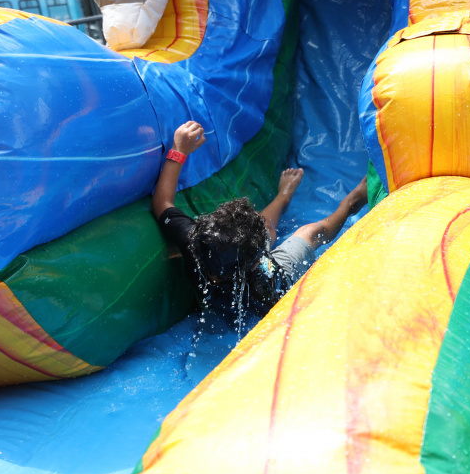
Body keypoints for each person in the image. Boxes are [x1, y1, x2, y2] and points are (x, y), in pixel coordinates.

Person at [151, 120, 372, 327]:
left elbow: (162, 203)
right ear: (258, 261)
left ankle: (289, 198)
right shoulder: (269, 286)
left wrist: (179, 150)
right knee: (306, 232)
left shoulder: (198, 242)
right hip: (263, 273)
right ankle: (345, 202)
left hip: (245, 269)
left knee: (262, 231)